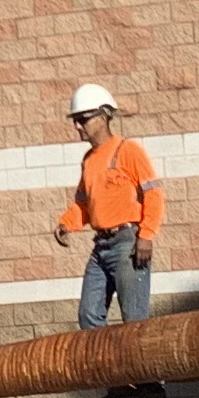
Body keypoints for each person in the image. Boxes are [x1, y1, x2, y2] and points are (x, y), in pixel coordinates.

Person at [51, 84, 162, 332]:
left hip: (128, 244)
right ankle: (104, 368)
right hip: (101, 247)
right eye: (75, 120)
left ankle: (136, 369)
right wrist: (66, 224)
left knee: (134, 321)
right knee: (89, 316)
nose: (77, 126)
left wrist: (146, 236)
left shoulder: (128, 151)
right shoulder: (89, 160)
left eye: (83, 119)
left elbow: (153, 194)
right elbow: (84, 204)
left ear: (103, 116)